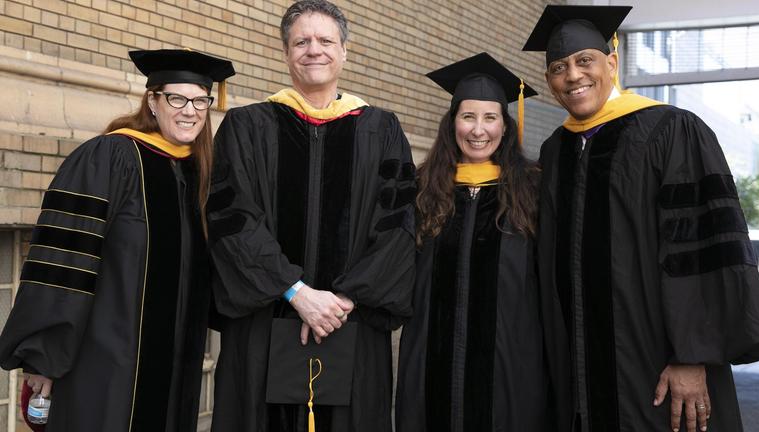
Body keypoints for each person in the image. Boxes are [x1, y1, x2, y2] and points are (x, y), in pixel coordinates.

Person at [523, 5, 759, 432]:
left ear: (612, 63)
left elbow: (700, 251)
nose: (573, 76)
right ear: (549, 81)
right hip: (578, 369)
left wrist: (691, 356)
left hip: (657, 362)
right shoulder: (554, 152)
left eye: (585, 61)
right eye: (559, 67)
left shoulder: (672, 131)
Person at [205, 0, 416, 431]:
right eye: (301, 41)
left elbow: (397, 225)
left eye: (325, 40)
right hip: (266, 326)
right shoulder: (246, 126)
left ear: (344, 51)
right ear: (285, 53)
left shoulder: (382, 129)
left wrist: (343, 300)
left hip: (349, 325)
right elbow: (232, 219)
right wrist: (296, 292)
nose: (313, 50)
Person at [0, 49, 235, 431]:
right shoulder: (111, 157)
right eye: (176, 98)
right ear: (153, 101)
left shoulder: (202, 174)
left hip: (177, 370)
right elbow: (65, 261)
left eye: (199, 100)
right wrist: (43, 356)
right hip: (106, 366)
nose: (189, 110)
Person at [395, 52, 550, 431]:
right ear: (452, 124)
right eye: (468, 117)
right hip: (431, 360)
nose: (478, 130)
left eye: (490, 117)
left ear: (505, 125)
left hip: (511, 362)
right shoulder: (422, 187)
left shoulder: (533, 189)